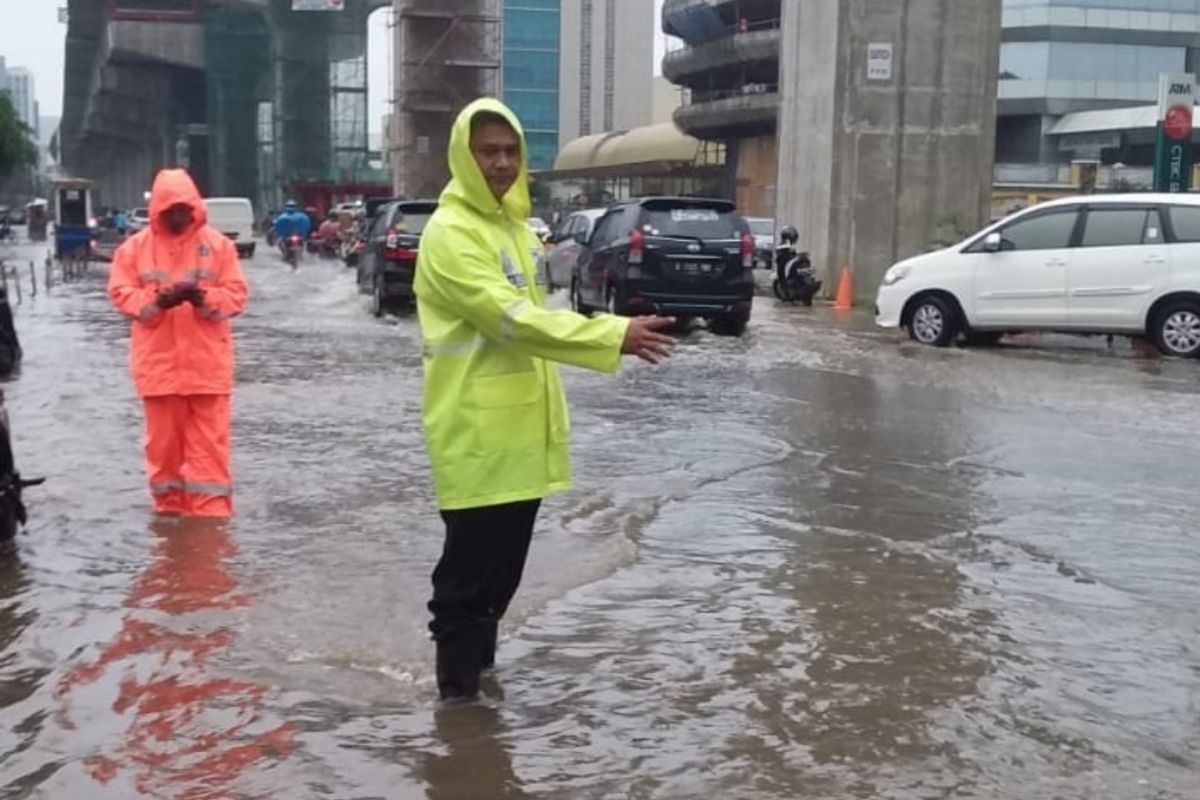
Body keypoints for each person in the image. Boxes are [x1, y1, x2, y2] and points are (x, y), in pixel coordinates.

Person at [414, 98, 677, 702]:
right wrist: (614, 336)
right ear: (464, 156)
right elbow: (514, 323)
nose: (502, 164)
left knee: (500, 579)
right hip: (477, 437)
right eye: (489, 152)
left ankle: (479, 692)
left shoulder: (512, 227)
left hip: (521, 436)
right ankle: (458, 716)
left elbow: (534, 322)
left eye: (511, 152)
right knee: (467, 580)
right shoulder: (451, 234)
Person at [107, 169, 249, 518]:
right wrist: (160, 301)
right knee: (163, 454)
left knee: (210, 456)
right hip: (159, 371)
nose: (177, 216)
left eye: (183, 209)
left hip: (207, 371)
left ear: (194, 208)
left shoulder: (219, 246)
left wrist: (201, 298)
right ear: (157, 211)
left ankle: (209, 525)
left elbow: (236, 296)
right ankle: (169, 520)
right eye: (170, 210)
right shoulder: (134, 249)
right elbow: (121, 294)